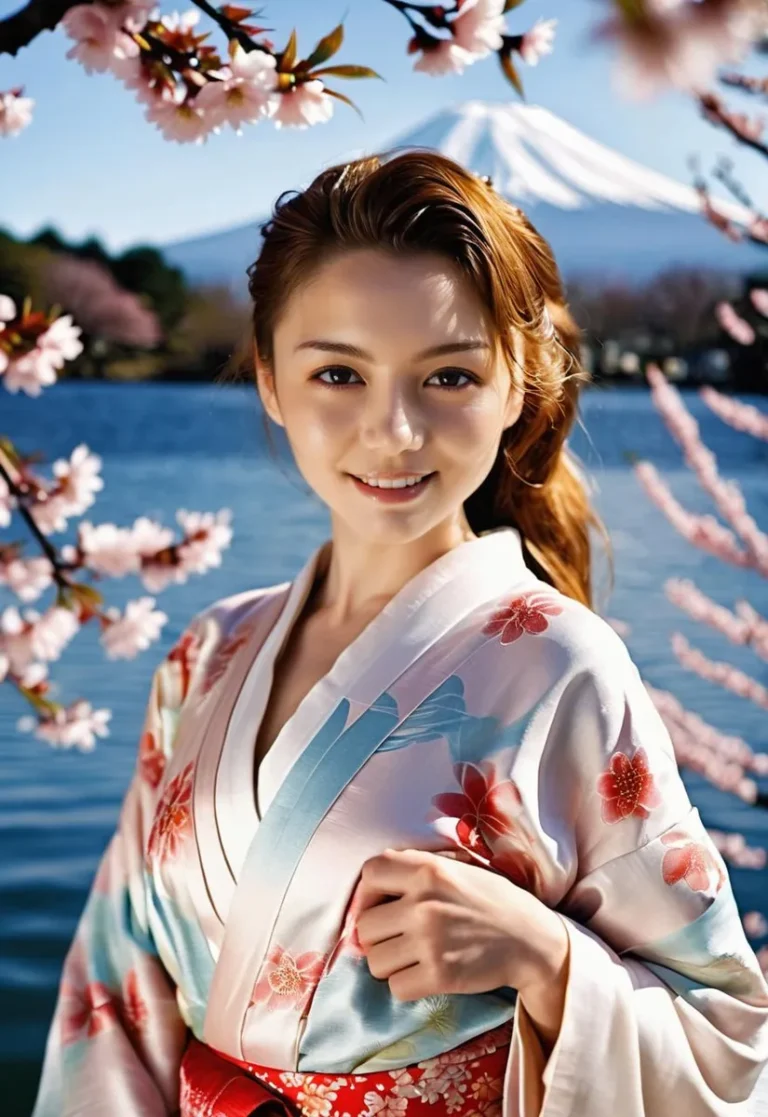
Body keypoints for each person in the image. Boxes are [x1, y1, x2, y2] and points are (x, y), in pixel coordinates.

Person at [33, 150, 768, 1117]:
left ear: (516, 389)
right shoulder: (204, 653)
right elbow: (114, 992)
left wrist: (548, 959)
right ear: (269, 379)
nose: (394, 432)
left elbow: (729, 1042)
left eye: (449, 377)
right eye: (338, 371)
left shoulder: (562, 665)